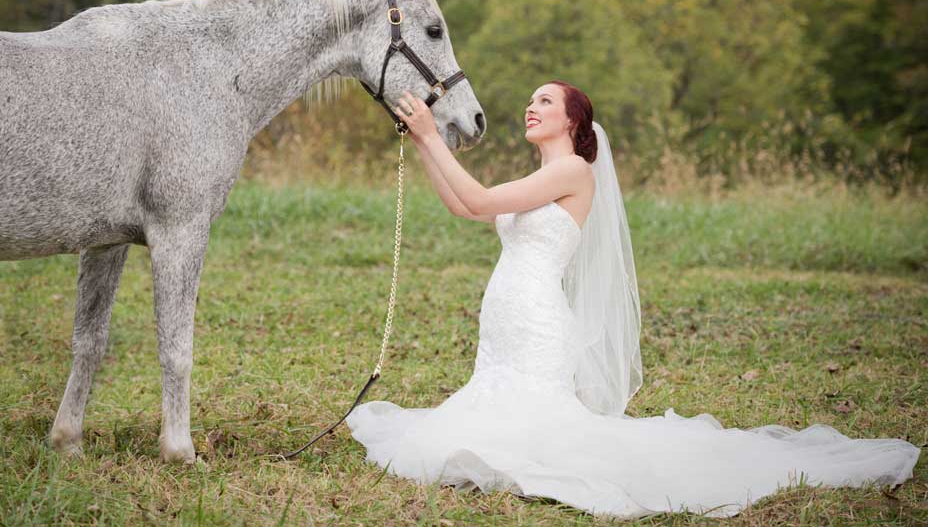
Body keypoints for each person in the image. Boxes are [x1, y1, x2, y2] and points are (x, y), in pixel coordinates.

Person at [344, 81, 921, 518]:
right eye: (530, 100)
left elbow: (477, 196)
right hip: (506, 317)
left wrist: (428, 133)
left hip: (538, 318)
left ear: (573, 120)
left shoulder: (573, 170)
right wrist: (421, 144)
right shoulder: (540, 175)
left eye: (545, 102)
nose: (532, 107)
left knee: (539, 432)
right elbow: (463, 205)